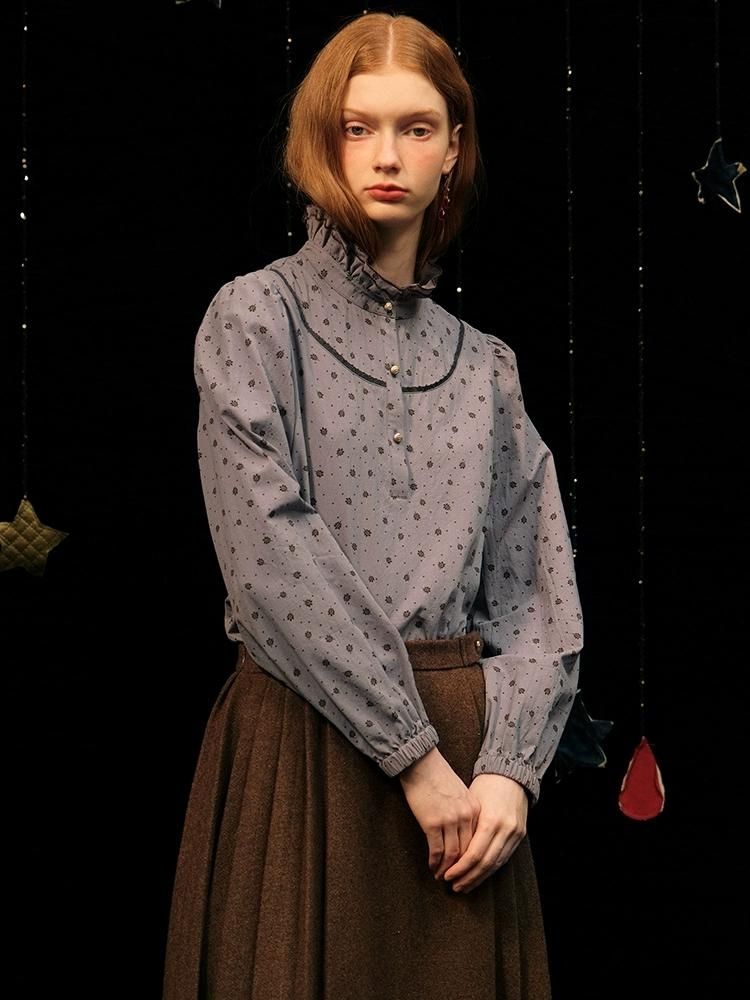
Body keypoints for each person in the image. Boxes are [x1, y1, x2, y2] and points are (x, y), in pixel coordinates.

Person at [162, 11, 584, 1000]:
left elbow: (537, 592)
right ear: (323, 140)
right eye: (358, 128)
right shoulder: (254, 318)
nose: (386, 155)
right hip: (308, 757)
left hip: (472, 799)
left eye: (415, 127)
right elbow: (269, 558)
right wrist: (415, 759)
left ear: (454, 149)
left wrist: (510, 770)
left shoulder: (486, 368)